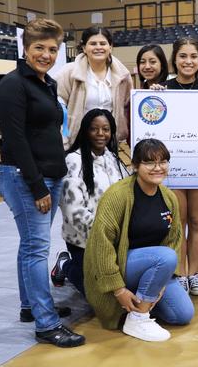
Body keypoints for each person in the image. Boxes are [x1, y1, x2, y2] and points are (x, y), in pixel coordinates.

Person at [0, 18, 85, 347]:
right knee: (36, 251)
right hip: (26, 177)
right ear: (25, 48)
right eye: (39, 48)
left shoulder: (44, 83)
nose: (46, 54)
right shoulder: (13, 85)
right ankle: (46, 324)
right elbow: (16, 140)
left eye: (52, 49)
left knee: (30, 246)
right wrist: (38, 187)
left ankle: (30, 307)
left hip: (48, 175)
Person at [83, 139, 194, 342]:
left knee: (183, 315)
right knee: (166, 257)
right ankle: (138, 318)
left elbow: (174, 240)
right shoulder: (117, 195)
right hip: (120, 268)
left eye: (163, 162)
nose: (158, 168)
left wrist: (160, 282)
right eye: (150, 163)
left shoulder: (169, 197)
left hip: (154, 266)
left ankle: (142, 299)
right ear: (135, 165)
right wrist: (118, 290)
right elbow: (101, 245)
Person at [152, 37, 198, 295]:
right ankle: (178, 274)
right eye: (183, 56)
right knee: (178, 222)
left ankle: (194, 274)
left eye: (193, 57)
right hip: (173, 170)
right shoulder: (161, 90)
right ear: (174, 60)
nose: (188, 61)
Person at [53, 109, 128, 295]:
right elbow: (74, 213)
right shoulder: (73, 161)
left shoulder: (113, 158)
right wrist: (104, 235)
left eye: (106, 129)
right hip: (84, 240)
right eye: (94, 129)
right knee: (97, 294)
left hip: (115, 237)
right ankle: (65, 265)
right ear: (85, 131)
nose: (101, 134)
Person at [56, 26, 133, 148]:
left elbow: (127, 108)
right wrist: (64, 137)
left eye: (103, 43)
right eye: (93, 43)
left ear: (110, 47)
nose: (98, 47)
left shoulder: (123, 76)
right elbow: (58, 108)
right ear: (84, 48)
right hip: (76, 142)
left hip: (110, 143)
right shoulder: (68, 72)